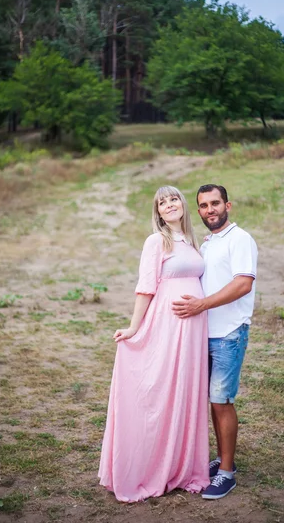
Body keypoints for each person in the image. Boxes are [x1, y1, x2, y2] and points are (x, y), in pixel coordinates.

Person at [98, 186, 210, 502]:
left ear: (184, 205)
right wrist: (134, 327)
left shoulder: (193, 241)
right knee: (159, 391)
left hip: (193, 329)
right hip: (168, 324)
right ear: (158, 212)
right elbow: (146, 286)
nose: (169, 204)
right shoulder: (156, 242)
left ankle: (181, 464)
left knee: (185, 392)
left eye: (174, 198)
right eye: (162, 202)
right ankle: (148, 465)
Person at [172, 184, 258, 500]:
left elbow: (242, 284)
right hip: (202, 334)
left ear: (228, 205)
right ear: (199, 211)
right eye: (204, 205)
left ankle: (226, 473)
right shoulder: (207, 244)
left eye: (216, 203)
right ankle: (221, 459)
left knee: (221, 400)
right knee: (211, 400)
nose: (210, 210)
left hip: (229, 333)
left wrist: (201, 305)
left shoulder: (240, 239)